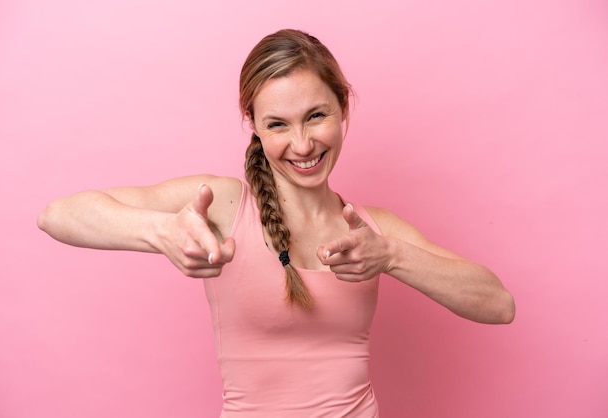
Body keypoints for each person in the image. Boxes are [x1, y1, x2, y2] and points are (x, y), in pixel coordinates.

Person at [38, 29, 515, 417]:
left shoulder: (372, 229)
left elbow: (498, 303)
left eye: (316, 116)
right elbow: (57, 214)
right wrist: (160, 232)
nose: (303, 145)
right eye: (278, 125)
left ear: (343, 109)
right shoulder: (226, 205)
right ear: (255, 126)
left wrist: (393, 255)